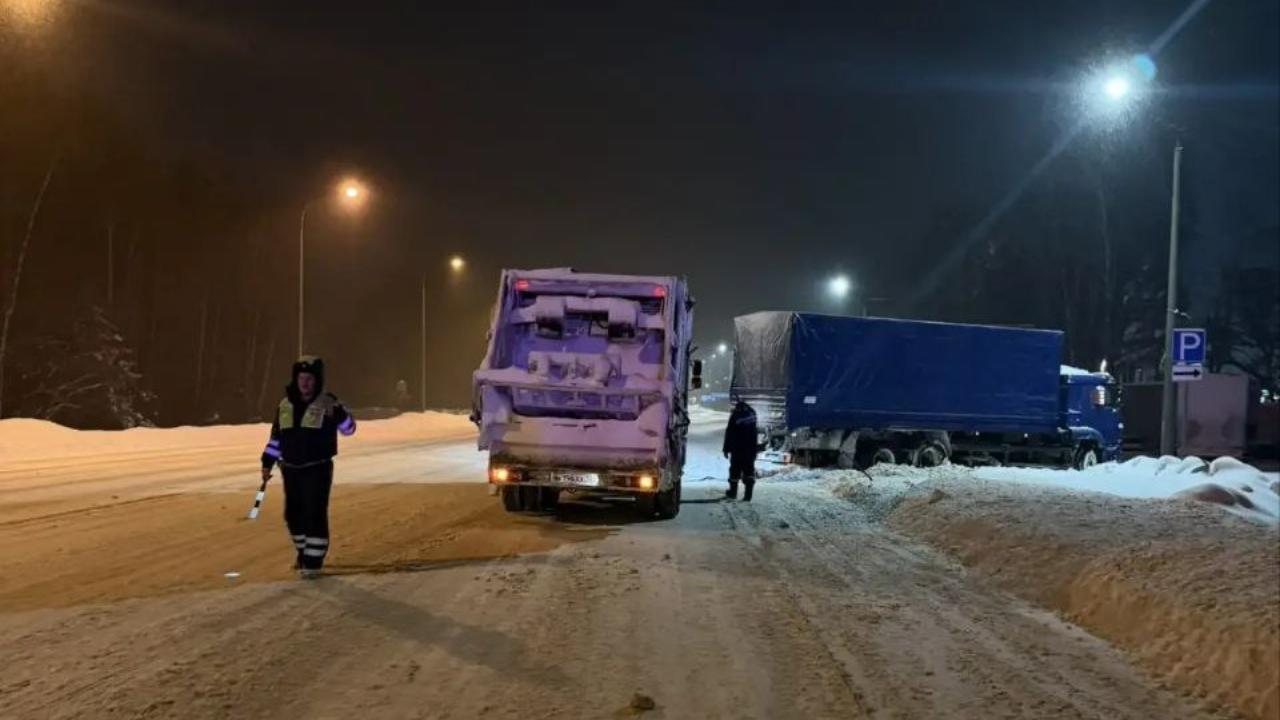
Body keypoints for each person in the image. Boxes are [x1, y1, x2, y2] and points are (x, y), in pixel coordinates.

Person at [260, 356, 356, 579]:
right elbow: (276, 438)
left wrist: (340, 415)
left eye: (309, 379)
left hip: (317, 468)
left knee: (314, 513)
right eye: (301, 378)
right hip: (290, 468)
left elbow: (349, 429)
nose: (305, 383)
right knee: (293, 515)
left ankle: (313, 562)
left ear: (317, 381)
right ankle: (303, 552)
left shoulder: (328, 404)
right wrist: (267, 462)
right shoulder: (284, 405)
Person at [722, 398, 759, 501]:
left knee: (734, 470)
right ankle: (748, 495)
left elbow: (729, 433)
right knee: (749, 470)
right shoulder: (753, 415)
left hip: (737, 449)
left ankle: (733, 493)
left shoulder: (735, 416)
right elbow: (755, 433)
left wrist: (726, 449)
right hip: (750, 449)